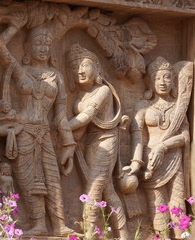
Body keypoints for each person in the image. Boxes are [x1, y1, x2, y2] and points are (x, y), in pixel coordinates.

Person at [0, 17, 77, 236]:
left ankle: (60, 225)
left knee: (52, 178)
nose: (43, 48)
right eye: (38, 43)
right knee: (27, 179)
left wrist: (68, 144)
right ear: (28, 47)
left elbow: (60, 115)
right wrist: (15, 25)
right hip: (23, 131)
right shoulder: (21, 70)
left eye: (47, 45)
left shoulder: (56, 76)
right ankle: (38, 223)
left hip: (45, 133)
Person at [124, 57, 190, 238]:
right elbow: (137, 136)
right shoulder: (143, 106)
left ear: (173, 81)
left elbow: (184, 137)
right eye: (158, 78)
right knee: (157, 204)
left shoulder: (178, 108)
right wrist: (136, 163)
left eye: (167, 77)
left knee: (177, 202)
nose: (162, 82)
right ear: (151, 82)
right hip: (150, 160)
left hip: (172, 157)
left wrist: (164, 146)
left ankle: (182, 236)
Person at [67, 44, 129, 239]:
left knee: (93, 188)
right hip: (90, 143)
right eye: (75, 66)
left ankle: (89, 233)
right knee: (107, 190)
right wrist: (68, 146)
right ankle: (125, 235)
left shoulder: (103, 91)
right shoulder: (81, 94)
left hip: (106, 143)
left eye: (84, 65)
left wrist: (61, 127)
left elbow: (85, 118)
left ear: (97, 68)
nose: (80, 70)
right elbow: (82, 129)